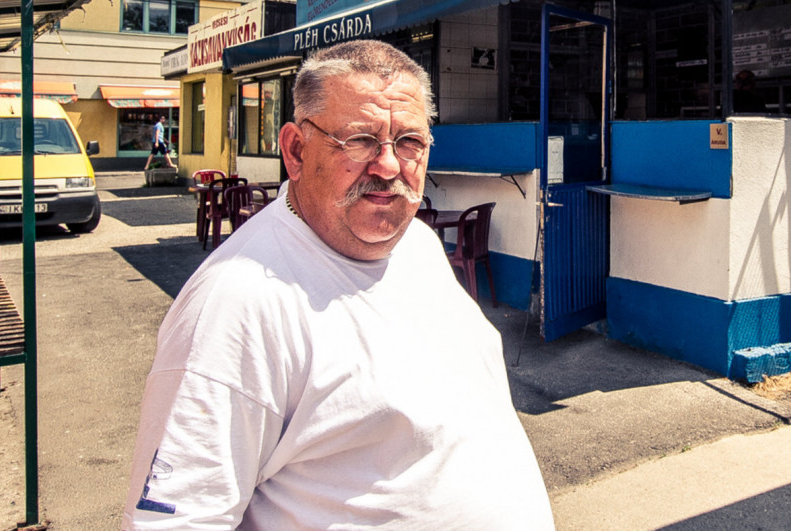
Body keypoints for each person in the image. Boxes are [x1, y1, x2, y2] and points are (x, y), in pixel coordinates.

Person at [123, 40, 554, 530]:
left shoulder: (416, 244)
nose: (389, 166)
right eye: (360, 140)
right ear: (296, 150)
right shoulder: (235, 304)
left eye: (409, 142)